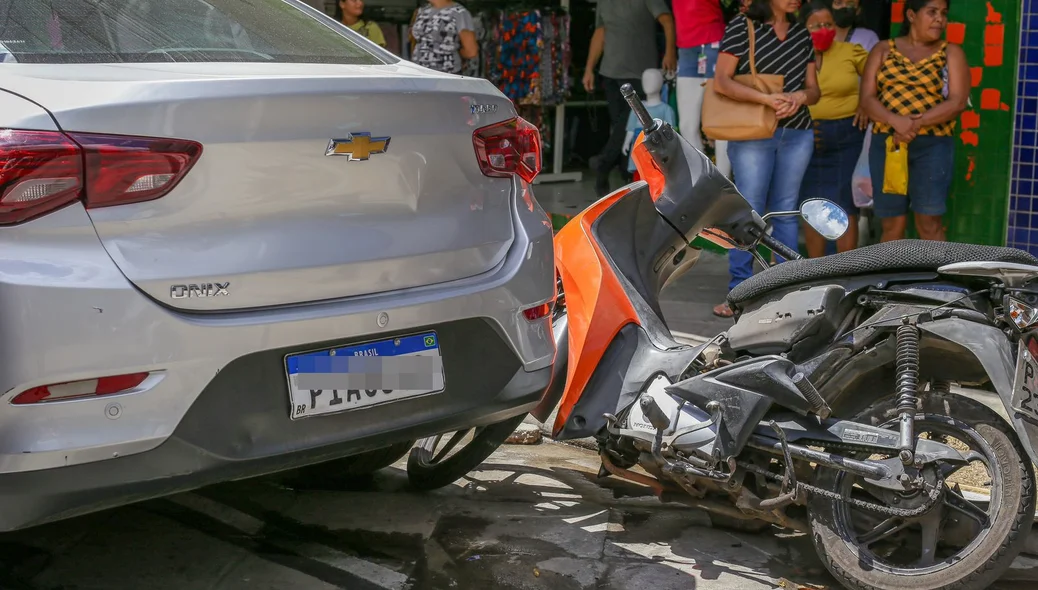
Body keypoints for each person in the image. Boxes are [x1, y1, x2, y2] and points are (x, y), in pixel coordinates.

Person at [711, 0, 820, 318]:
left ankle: (786, 290)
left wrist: (800, 96)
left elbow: (814, 89)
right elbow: (722, 80)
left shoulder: (801, 33)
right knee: (748, 212)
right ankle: (740, 292)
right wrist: (766, 99)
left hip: (797, 131)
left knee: (786, 211)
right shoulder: (743, 26)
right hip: (752, 132)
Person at [859, 0, 968, 242]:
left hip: (933, 146)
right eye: (932, 12)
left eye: (943, 13)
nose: (940, 19)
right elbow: (867, 98)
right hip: (889, 145)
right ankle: (892, 280)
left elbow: (958, 102)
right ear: (911, 15)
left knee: (929, 222)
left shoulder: (951, 52)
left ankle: (938, 279)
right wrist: (894, 121)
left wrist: (913, 124)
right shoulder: (883, 49)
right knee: (891, 223)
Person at [583, 0, 677, 197]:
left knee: (627, 123)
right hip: (610, 73)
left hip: (640, 73)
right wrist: (589, 68)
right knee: (621, 126)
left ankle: (604, 164)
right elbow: (601, 33)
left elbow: (667, 21)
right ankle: (620, 172)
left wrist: (670, 52)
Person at [798, 0, 869, 256]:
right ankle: (816, 272)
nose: (823, 29)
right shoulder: (794, 53)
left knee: (843, 202)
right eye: (815, 25)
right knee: (811, 203)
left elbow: (877, 77)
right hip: (804, 137)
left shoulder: (851, 51)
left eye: (828, 24)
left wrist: (866, 103)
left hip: (846, 137)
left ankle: (843, 270)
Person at [673, 0, 731, 178]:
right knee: (686, 125)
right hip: (686, 47)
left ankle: (723, 181)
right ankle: (704, 179)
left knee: (720, 122)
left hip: (712, 40)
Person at [409, 0, 478, 75]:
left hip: (445, 73)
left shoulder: (460, 13)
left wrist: (452, 51)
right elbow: (417, 41)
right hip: (419, 72)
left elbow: (471, 51)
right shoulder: (422, 11)